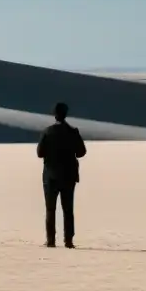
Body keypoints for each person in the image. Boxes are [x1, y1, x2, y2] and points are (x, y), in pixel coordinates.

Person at [36, 102, 87, 248]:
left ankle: (51, 240)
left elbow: (40, 153)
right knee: (68, 209)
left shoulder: (47, 132)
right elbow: (82, 152)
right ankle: (68, 241)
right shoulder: (73, 131)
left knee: (50, 208)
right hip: (69, 175)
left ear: (55, 115)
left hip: (51, 176)